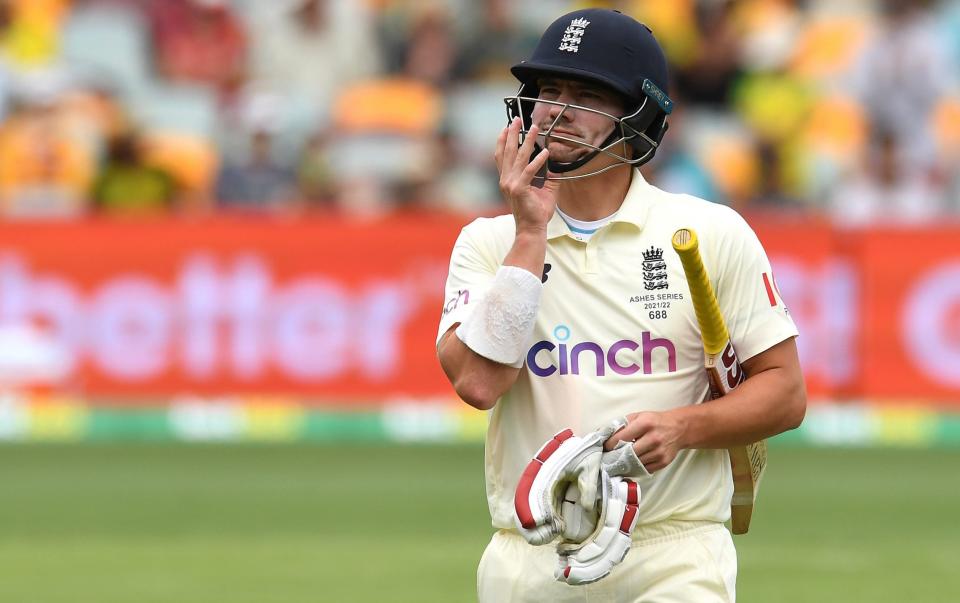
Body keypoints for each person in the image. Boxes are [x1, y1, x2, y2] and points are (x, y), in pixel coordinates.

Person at [435, 8, 806, 602]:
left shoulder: (709, 231)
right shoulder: (489, 242)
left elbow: (785, 394)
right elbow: (479, 382)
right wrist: (529, 235)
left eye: (586, 95)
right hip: (530, 554)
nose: (556, 110)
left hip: (673, 551)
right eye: (547, 90)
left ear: (640, 117)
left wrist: (683, 428)